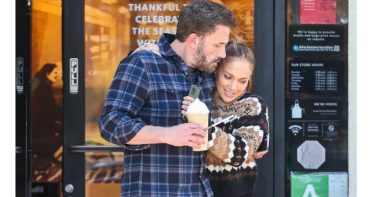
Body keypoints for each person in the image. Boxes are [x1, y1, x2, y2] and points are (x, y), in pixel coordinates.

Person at [98, 1, 236, 196]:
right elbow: (110, 123)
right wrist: (167, 134)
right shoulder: (143, 63)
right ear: (194, 39)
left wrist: (256, 135)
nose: (222, 53)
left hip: (199, 191)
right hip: (154, 190)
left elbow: (237, 94)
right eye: (218, 45)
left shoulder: (207, 72)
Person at [181, 41, 270, 197]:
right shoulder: (200, 97)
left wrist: (201, 123)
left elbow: (239, 153)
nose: (233, 87)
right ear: (216, 71)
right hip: (191, 190)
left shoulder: (253, 105)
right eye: (228, 77)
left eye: (243, 81)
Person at [30, 63, 63, 182]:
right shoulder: (43, 89)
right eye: (54, 73)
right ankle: (47, 157)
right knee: (63, 134)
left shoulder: (45, 87)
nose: (57, 75)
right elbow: (48, 109)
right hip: (42, 126)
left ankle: (47, 156)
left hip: (44, 124)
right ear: (47, 74)